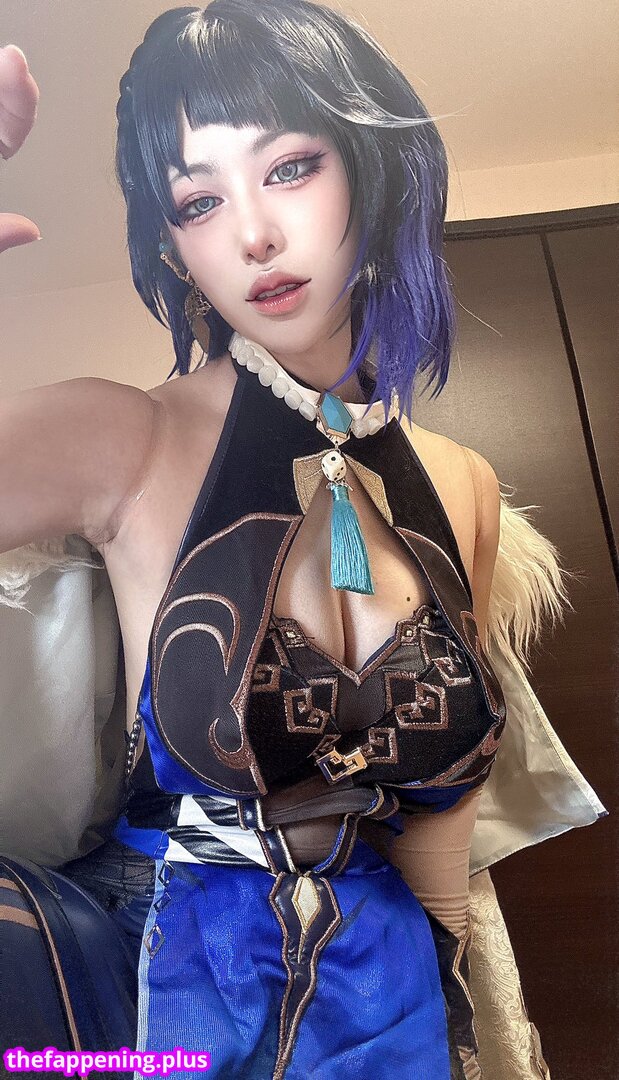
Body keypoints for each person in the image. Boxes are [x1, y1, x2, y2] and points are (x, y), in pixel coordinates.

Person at [0, 5, 607, 1078]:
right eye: (199, 199)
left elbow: (438, 825)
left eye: (288, 168)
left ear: (374, 170)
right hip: (151, 998)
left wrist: (457, 1019)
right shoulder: (124, 437)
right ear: (172, 244)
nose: (253, 236)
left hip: (385, 999)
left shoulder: (463, 486)